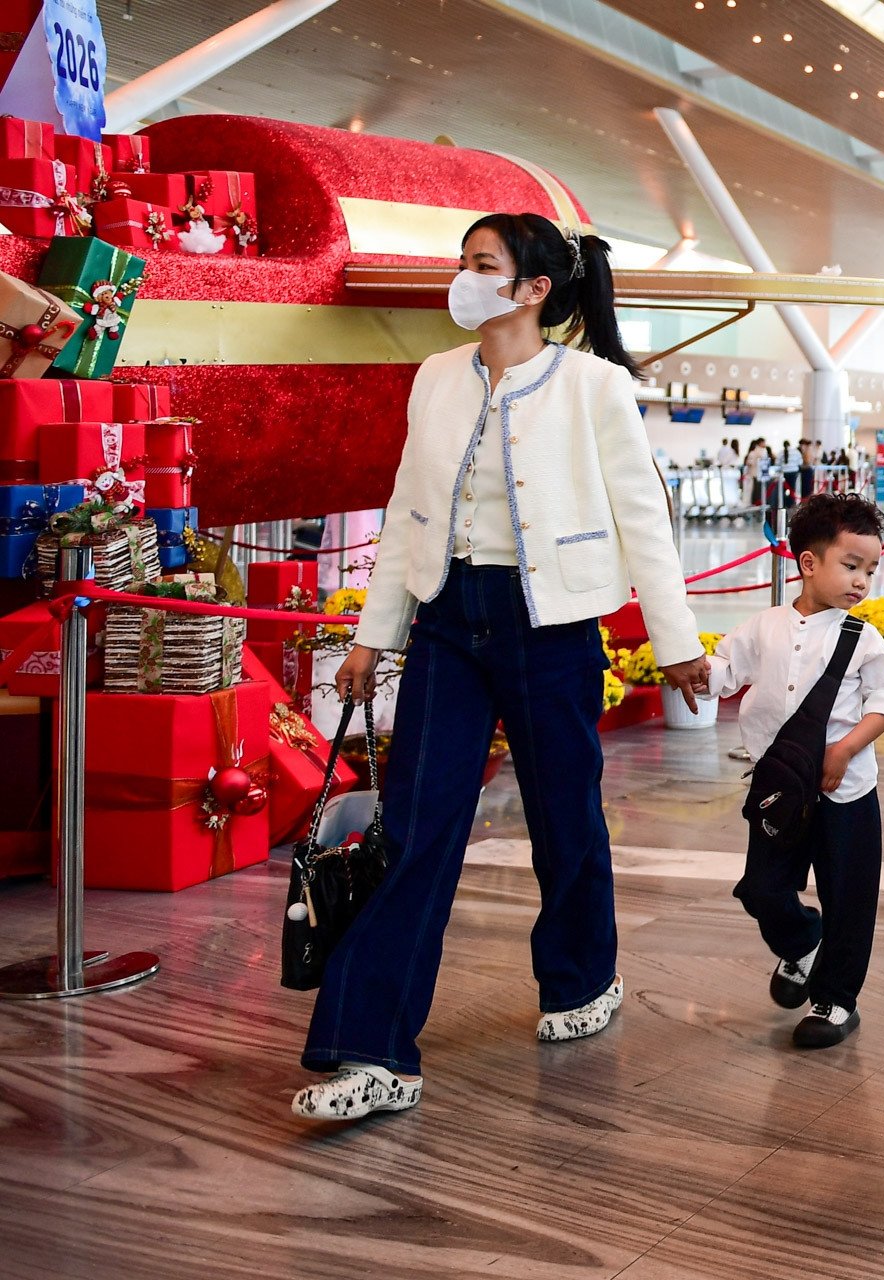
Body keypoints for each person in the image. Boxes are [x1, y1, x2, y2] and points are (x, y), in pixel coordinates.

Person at [290, 212, 710, 1122]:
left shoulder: (592, 385)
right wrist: (375, 634)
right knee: (415, 826)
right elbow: (408, 511)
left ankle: (581, 977)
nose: (464, 277)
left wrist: (676, 645)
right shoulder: (436, 378)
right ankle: (373, 1051)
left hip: (550, 623)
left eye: (484, 265)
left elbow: (643, 516)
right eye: (464, 262)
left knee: (565, 815)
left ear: (532, 290)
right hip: (446, 620)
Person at [701, 493, 884, 1048]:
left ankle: (836, 1000)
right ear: (808, 563)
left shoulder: (864, 639)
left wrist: (843, 752)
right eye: (851, 565)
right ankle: (802, 943)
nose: (862, 581)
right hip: (781, 792)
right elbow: (725, 671)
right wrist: (697, 671)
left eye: (870, 569)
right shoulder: (762, 627)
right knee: (763, 889)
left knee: (849, 896)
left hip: (847, 792)